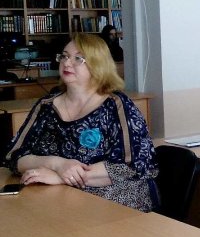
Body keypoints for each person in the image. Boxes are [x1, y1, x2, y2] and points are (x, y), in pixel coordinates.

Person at [5, 34, 156, 211]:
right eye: (64, 56)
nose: (67, 63)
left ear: (97, 65)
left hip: (115, 203)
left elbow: (134, 165)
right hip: (57, 198)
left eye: (78, 58)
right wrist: (57, 164)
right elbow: (15, 157)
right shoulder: (46, 106)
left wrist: (62, 178)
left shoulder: (117, 106)